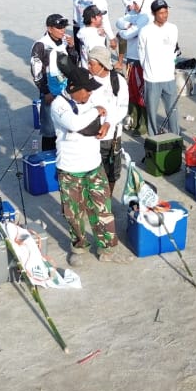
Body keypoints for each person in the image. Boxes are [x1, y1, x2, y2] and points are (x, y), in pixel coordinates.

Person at [52, 66, 132, 266]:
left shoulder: (92, 99)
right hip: (70, 169)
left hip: (94, 166)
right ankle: (79, 247)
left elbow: (111, 111)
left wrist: (107, 124)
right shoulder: (58, 105)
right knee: (73, 213)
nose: (90, 93)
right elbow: (74, 124)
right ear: (73, 88)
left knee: (102, 210)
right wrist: (96, 111)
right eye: (86, 89)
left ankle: (108, 249)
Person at [86, 46, 128, 194]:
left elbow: (123, 107)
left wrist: (109, 122)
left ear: (102, 64)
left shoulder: (118, 81)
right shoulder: (85, 80)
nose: (88, 66)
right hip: (91, 137)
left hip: (112, 138)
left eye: (91, 63)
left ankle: (106, 203)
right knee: (92, 174)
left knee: (112, 174)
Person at [31, 13, 76, 152]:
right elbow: (36, 72)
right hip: (50, 93)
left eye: (63, 27)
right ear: (49, 29)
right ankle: (48, 159)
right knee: (49, 130)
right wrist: (45, 92)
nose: (62, 30)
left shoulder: (64, 42)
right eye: (58, 27)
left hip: (66, 91)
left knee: (66, 126)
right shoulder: (40, 45)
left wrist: (71, 48)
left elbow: (73, 64)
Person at [138, 0, 181, 136]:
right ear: (153, 13)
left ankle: (175, 137)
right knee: (151, 112)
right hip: (152, 79)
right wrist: (149, 69)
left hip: (169, 77)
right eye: (161, 13)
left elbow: (174, 50)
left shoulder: (173, 28)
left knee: (173, 111)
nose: (164, 15)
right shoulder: (145, 31)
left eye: (166, 12)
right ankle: (153, 139)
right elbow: (141, 54)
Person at [116, 10, 151, 136]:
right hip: (130, 60)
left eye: (135, 2)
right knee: (131, 92)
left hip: (140, 61)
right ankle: (134, 120)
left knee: (141, 93)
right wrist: (126, 26)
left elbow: (126, 35)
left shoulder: (146, 18)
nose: (132, 5)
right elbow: (119, 22)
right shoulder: (132, 15)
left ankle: (143, 123)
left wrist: (125, 30)